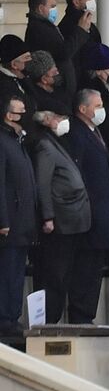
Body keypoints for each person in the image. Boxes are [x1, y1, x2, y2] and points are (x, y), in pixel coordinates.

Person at [28, 109, 91, 325]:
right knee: (53, 276)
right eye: (59, 118)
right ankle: (47, 322)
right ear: (46, 120)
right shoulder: (44, 146)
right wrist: (48, 216)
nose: (64, 122)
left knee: (63, 276)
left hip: (72, 223)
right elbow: (42, 185)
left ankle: (53, 319)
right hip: (59, 223)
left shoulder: (57, 143)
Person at [65, 88, 109, 324]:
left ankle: (87, 313)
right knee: (85, 268)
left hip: (102, 213)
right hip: (88, 214)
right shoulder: (77, 133)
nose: (101, 110)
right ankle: (80, 314)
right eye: (97, 105)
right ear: (83, 109)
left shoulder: (95, 131)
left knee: (94, 268)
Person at [0, 94, 36, 337]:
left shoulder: (17, 141)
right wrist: (3, 220)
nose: (23, 117)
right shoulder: (3, 141)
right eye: (19, 112)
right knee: (7, 273)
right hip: (10, 223)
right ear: (7, 115)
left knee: (16, 274)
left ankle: (12, 317)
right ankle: (5, 319)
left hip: (23, 222)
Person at [24, 0, 85, 103]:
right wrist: (80, 30)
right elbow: (63, 52)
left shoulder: (45, 26)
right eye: (52, 6)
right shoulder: (39, 29)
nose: (55, 10)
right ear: (41, 8)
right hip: (56, 85)